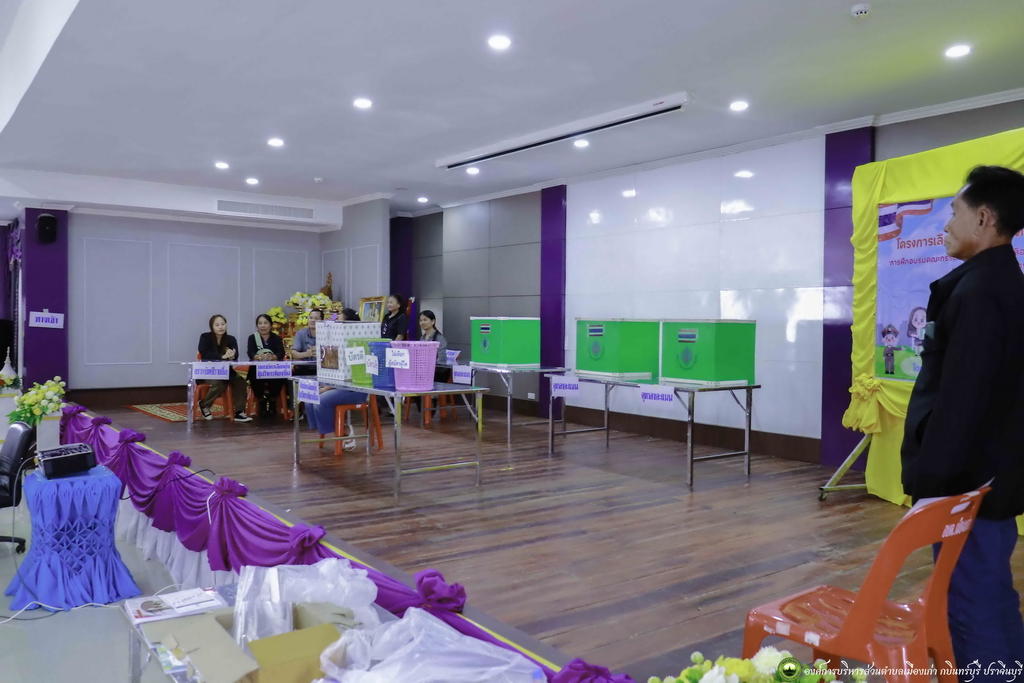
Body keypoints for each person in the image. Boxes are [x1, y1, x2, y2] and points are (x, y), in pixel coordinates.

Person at [900, 165, 1024, 674]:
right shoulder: (1003, 283)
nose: (946, 225)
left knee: (971, 607)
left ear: (984, 218)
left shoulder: (979, 294)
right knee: (990, 595)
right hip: (992, 478)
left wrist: (930, 485)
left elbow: (960, 402)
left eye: (954, 212)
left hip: (968, 485)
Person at [196, 314, 251, 422]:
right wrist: (221, 357)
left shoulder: (231, 339)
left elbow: (235, 357)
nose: (220, 327)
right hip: (208, 371)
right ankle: (204, 404)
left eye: (223, 324)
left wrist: (232, 356)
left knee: (240, 382)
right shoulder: (205, 337)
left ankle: (239, 412)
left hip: (226, 372)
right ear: (212, 327)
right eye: (217, 325)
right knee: (219, 384)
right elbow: (204, 354)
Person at [306, 384, 369, 451]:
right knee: (310, 399)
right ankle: (339, 431)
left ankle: (344, 432)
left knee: (320, 401)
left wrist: (326, 388)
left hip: (355, 390)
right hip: (336, 387)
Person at [247, 313, 286, 417]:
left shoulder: (276, 338)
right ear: (257, 325)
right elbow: (250, 352)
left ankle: (272, 400)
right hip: (257, 368)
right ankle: (261, 401)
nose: (263, 326)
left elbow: (281, 352)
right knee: (254, 376)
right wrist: (257, 357)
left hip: (272, 368)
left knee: (280, 377)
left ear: (270, 325)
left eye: (265, 323)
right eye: (260, 323)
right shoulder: (252, 338)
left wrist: (273, 357)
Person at [417, 310, 449, 382]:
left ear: (433, 321)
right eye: (420, 320)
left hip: (437, 373)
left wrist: (428, 368)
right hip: (423, 373)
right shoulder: (422, 338)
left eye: (425, 320)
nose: (422, 322)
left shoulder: (440, 338)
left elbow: (441, 360)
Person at [291, 308, 323, 376]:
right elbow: (294, 354)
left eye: (316, 318)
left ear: (322, 321)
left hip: (322, 368)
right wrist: (307, 354)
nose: (312, 320)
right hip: (304, 368)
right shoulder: (300, 333)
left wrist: (321, 352)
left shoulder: (327, 334)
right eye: (311, 318)